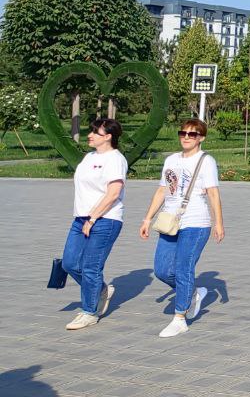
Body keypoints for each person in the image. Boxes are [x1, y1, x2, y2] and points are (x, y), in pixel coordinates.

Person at [139, 118, 224, 338]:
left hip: (196, 222)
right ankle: (193, 293)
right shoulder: (171, 160)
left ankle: (180, 318)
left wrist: (218, 223)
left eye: (192, 134)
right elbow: (161, 191)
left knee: (184, 268)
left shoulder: (206, 161)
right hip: (170, 221)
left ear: (201, 138)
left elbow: (213, 193)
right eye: (183, 133)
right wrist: (147, 218)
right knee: (162, 270)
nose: (186, 137)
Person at [61, 118, 127, 330]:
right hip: (81, 217)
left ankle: (89, 312)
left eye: (94, 132)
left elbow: (113, 193)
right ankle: (100, 290)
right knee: (69, 263)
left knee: (91, 267)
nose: (89, 135)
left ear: (108, 136)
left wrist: (93, 218)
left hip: (105, 220)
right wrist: (85, 218)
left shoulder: (115, 159)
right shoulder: (89, 157)